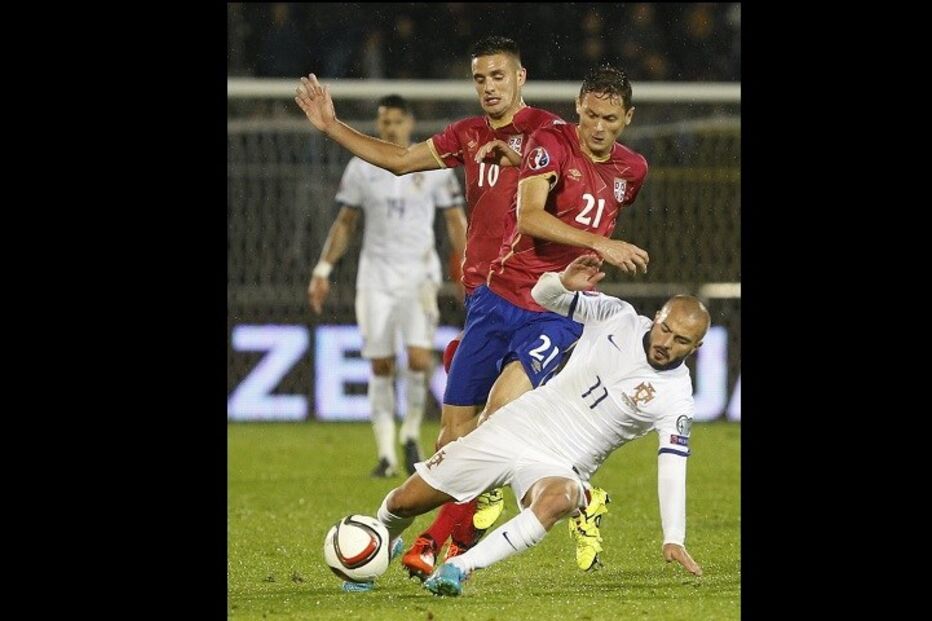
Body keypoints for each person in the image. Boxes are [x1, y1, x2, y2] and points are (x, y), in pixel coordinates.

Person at [298, 37, 613, 576]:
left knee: (496, 423)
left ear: (521, 78)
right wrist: (332, 127)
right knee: (452, 441)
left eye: (498, 77)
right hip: (486, 301)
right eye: (480, 79)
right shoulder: (466, 136)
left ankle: (442, 545)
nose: (489, 87)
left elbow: (590, 177)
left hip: (546, 303)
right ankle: (575, 498)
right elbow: (398, 161)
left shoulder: (551, 133)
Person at [370, 254, 706, 596]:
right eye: (665, 329)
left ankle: (459, 567)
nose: (666, 343)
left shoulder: (677, 397)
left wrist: (673, 537)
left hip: (559, 465)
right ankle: (381, 540)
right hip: (515, 428)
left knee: (562, 498)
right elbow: (545, 297)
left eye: (681, 340)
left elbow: (672, 467)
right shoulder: (617, 316)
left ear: (697, 346)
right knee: (403, 503)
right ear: (657, 317)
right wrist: (561, 282)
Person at [308, 94, 467, 478]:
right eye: (383, 121)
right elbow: (345, 222)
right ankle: (385, 455)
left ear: (409, 123)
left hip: (418, 276)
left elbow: (455, 222)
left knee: (416, 359)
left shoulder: (433, 166)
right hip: (375, 277)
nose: (390, 128)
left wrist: (466, 270)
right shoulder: (362, 167)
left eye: (396, 121)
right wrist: (323, 269)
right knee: (380, 364)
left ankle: (410, 432)